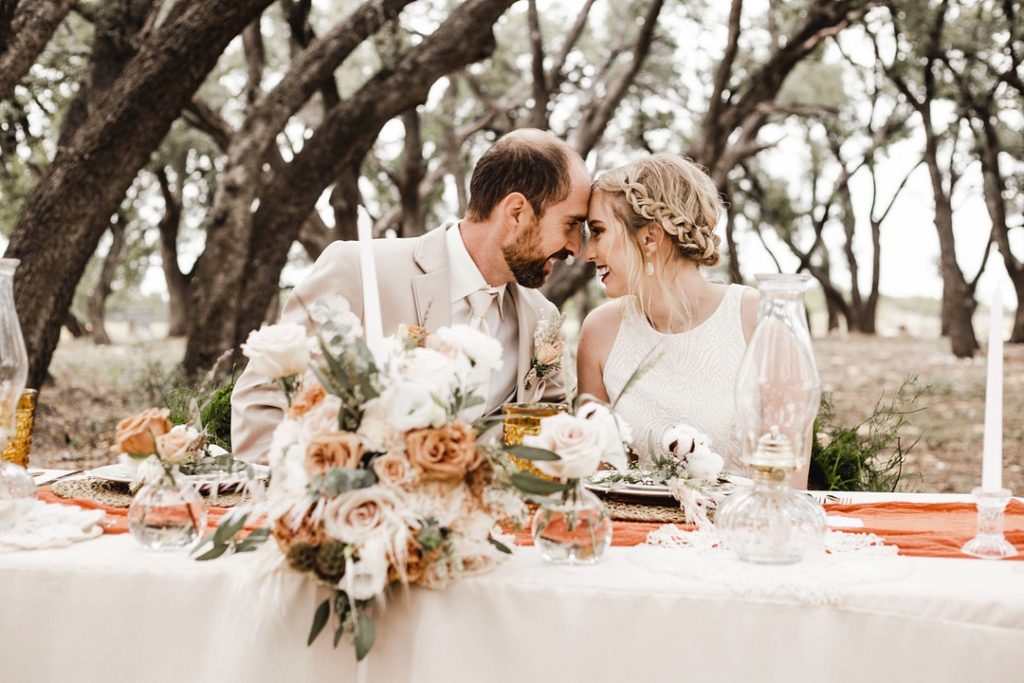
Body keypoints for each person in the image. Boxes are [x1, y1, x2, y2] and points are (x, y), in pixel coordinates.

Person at [231, 128, 590, 463]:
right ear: (516, 212)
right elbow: (264, 400)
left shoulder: (542, 318)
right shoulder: (356, 269)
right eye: (571, 224)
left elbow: (551, 426)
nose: (575, 248)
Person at [576, 154, 769, 477]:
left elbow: (789, 483)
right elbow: (597, 478)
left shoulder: (755, 318)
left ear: (650, 237)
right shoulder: (599, 332)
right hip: (635, 525)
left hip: (744, 524)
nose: (588, 253)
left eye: (598, 232)